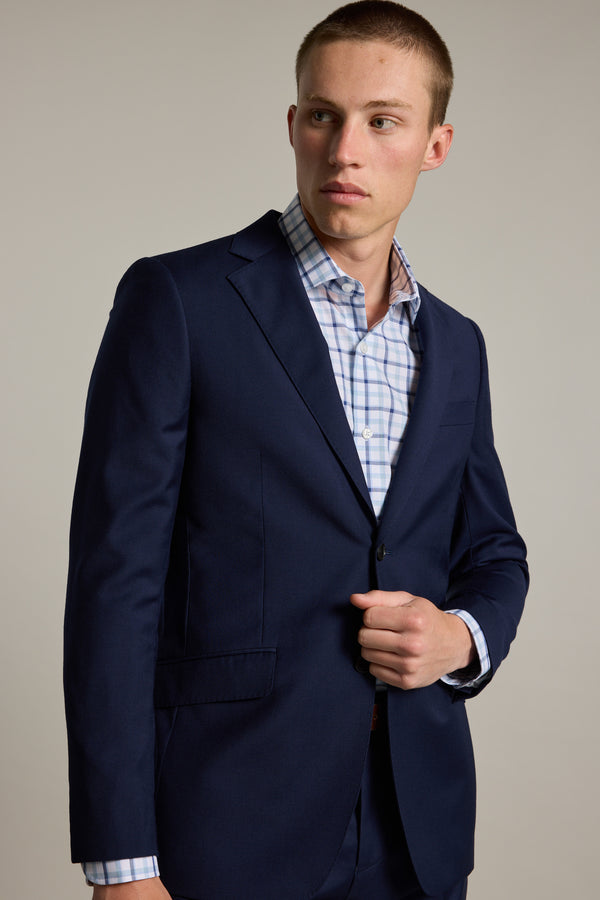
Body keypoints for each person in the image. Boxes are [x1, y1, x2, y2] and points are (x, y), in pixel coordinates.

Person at [64, 3, 528, 898]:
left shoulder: (458, 344)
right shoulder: (180, 301)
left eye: (383, 121)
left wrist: (457, 637)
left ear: (435, 145)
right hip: (226, 821)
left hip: (416, 829)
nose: (345, 149)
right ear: (294, 125)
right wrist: (122, 863)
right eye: (324, 115)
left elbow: (493, 553)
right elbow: (115, 588)